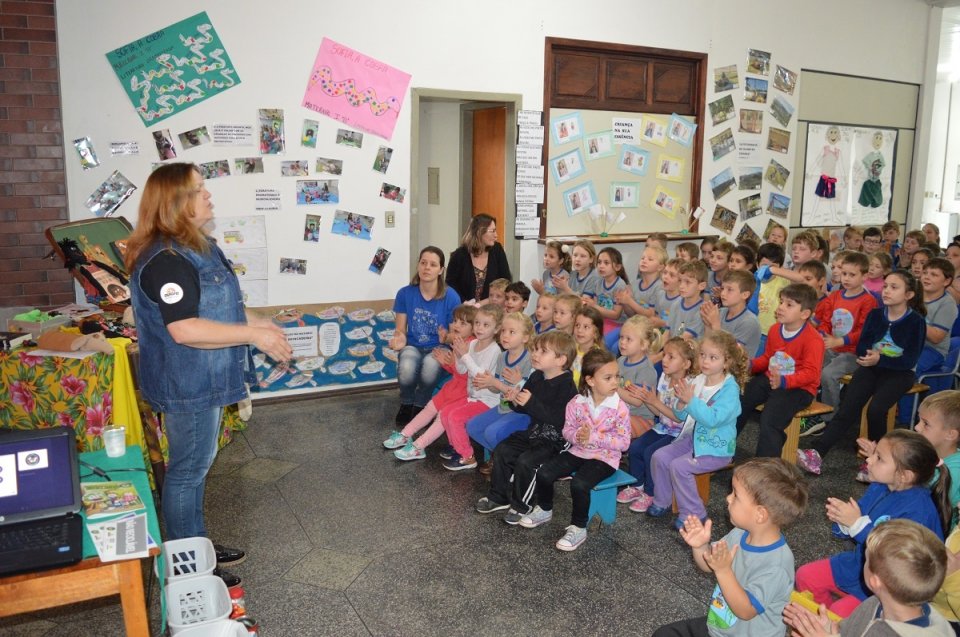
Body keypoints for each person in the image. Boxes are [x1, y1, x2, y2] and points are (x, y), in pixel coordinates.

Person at [126, 163, 293, 587]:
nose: (209, 197)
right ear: (177, 203)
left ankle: (194, 540)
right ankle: (188, 563)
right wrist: (253, 334)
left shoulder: (200, 245)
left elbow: (224, 307)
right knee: (187, 471)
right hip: (188, 383)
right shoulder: (166, 260)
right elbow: (186, 329)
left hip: (209, 377)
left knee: (197, 467)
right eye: (200, 190)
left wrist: (263, 325)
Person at [795, 430, 949, 618]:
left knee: (841, 614)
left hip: (889, 585)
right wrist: (843, 521)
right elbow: (858, 518)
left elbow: (895, 557)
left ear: (904, 476)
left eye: (879, 458)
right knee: (805, 576)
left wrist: (856, 525)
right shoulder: (881, 485)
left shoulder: (918, 511)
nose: (869, 460)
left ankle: (840, 627)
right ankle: (826, 625)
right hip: (860, 563)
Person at [653, 458, 809, 636]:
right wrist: (700, 547)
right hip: (721, 629)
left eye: (736, 495)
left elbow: (745, 610)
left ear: (760, 514)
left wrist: (724, 570)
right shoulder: (740, 533)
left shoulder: (776, 564)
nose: (728, 498)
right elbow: (709, 564)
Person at [798, 271, 927, 476]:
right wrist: (871, 358)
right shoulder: (876, 315)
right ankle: (817, 452)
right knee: (847, 409)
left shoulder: (916, 321)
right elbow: (861, 347)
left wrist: (880, 358)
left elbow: (909, 360)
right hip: (870, 367)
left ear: (909, 295)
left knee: (876, 410)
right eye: (885, 286)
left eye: (894, 287)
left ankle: (878, 461)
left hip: (900, 373)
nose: (886, 291)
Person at [517, 349, 631, 551]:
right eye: (608, 377)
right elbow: (567, 430)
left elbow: (624, 443)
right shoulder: (577, 403)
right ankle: (544, 508)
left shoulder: (619, 408)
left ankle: (579, 527)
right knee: (545, 472)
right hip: (578, 451)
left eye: (617, 376)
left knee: (579, 484)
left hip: (605, 458)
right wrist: (576, 436)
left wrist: (594, 437)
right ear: (591, 380)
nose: (615, 382)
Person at [475, 331, 579, 524]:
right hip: (534, 432)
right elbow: (524, 405)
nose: (535, 354)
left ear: (560, 360)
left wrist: (530, 403)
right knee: (503, 449)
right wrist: (514, 400)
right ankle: (499, 496)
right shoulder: (537, 376)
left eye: (543, 351)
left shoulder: (567, 386)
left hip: (556, 440)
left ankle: (522, 505)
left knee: (527, 462)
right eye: (536, 349)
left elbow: (559, 420)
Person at [647, 330, 748, 529]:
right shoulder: (698, 379)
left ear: (726, 362)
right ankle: (662, 500)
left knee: (680, 466)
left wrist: (690, 401)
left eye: (713, 357)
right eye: (703, 355)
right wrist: (682, 403)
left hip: (716, 448)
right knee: (660, 456)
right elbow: (683, 415)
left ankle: (694, 512)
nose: (705, 361)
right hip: (694, 440)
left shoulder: (729, 390)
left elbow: (713, 419)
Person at [785, 520, 952, 637]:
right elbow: (849, 631)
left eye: (866, 559)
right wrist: (828, 627)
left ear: (874, 581)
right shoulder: (875, 603)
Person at [382, 304, 476, 455]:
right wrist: (446, 363)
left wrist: (450, 363)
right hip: (453, 387)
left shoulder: (472, 345)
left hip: (463, 392)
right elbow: (457, 371)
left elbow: (471, 373)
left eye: (463, 323)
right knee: (430, 408)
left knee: (441, 418)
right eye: (455, 321)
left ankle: (419, 446)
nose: (456, 325)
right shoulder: (460, 342)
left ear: (474, 327)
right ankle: (405, 434)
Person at [619, 337, 699, 513]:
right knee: (636, 448)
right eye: (664, 355)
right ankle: (636, 485)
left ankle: (651, 493)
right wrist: (646, 398)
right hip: (662, 427)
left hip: (680, 434)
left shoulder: (690, 385)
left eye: (671, 357)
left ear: (686, 364)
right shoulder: (664, 377)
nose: (664, 360)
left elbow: (679, 419)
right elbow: (658, 413)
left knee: (651, 453)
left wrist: (653, 400)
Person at [388, 246, 462, 430]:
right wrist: (399, 339)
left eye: (433, 264)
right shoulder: (405, 293)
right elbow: (400, 329)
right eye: (423, 263)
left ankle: (421, 405)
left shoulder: (451, 296)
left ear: (441, 270)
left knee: (429, 368)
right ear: (418, 265)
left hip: (440, 346)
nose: (427, 268)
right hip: (413, 344)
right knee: (406, 367)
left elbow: (458, 333)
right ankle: (406, 402)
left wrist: (446, 338)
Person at [445, 213, 511, 303]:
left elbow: (506, 281)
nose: (496, 235)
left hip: (492, 309)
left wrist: (484, 303)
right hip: (465, 310)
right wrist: (466, 303)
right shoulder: (459, 255)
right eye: (492, 231)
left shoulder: (497, 250)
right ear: (480, 232)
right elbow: (450, 285)